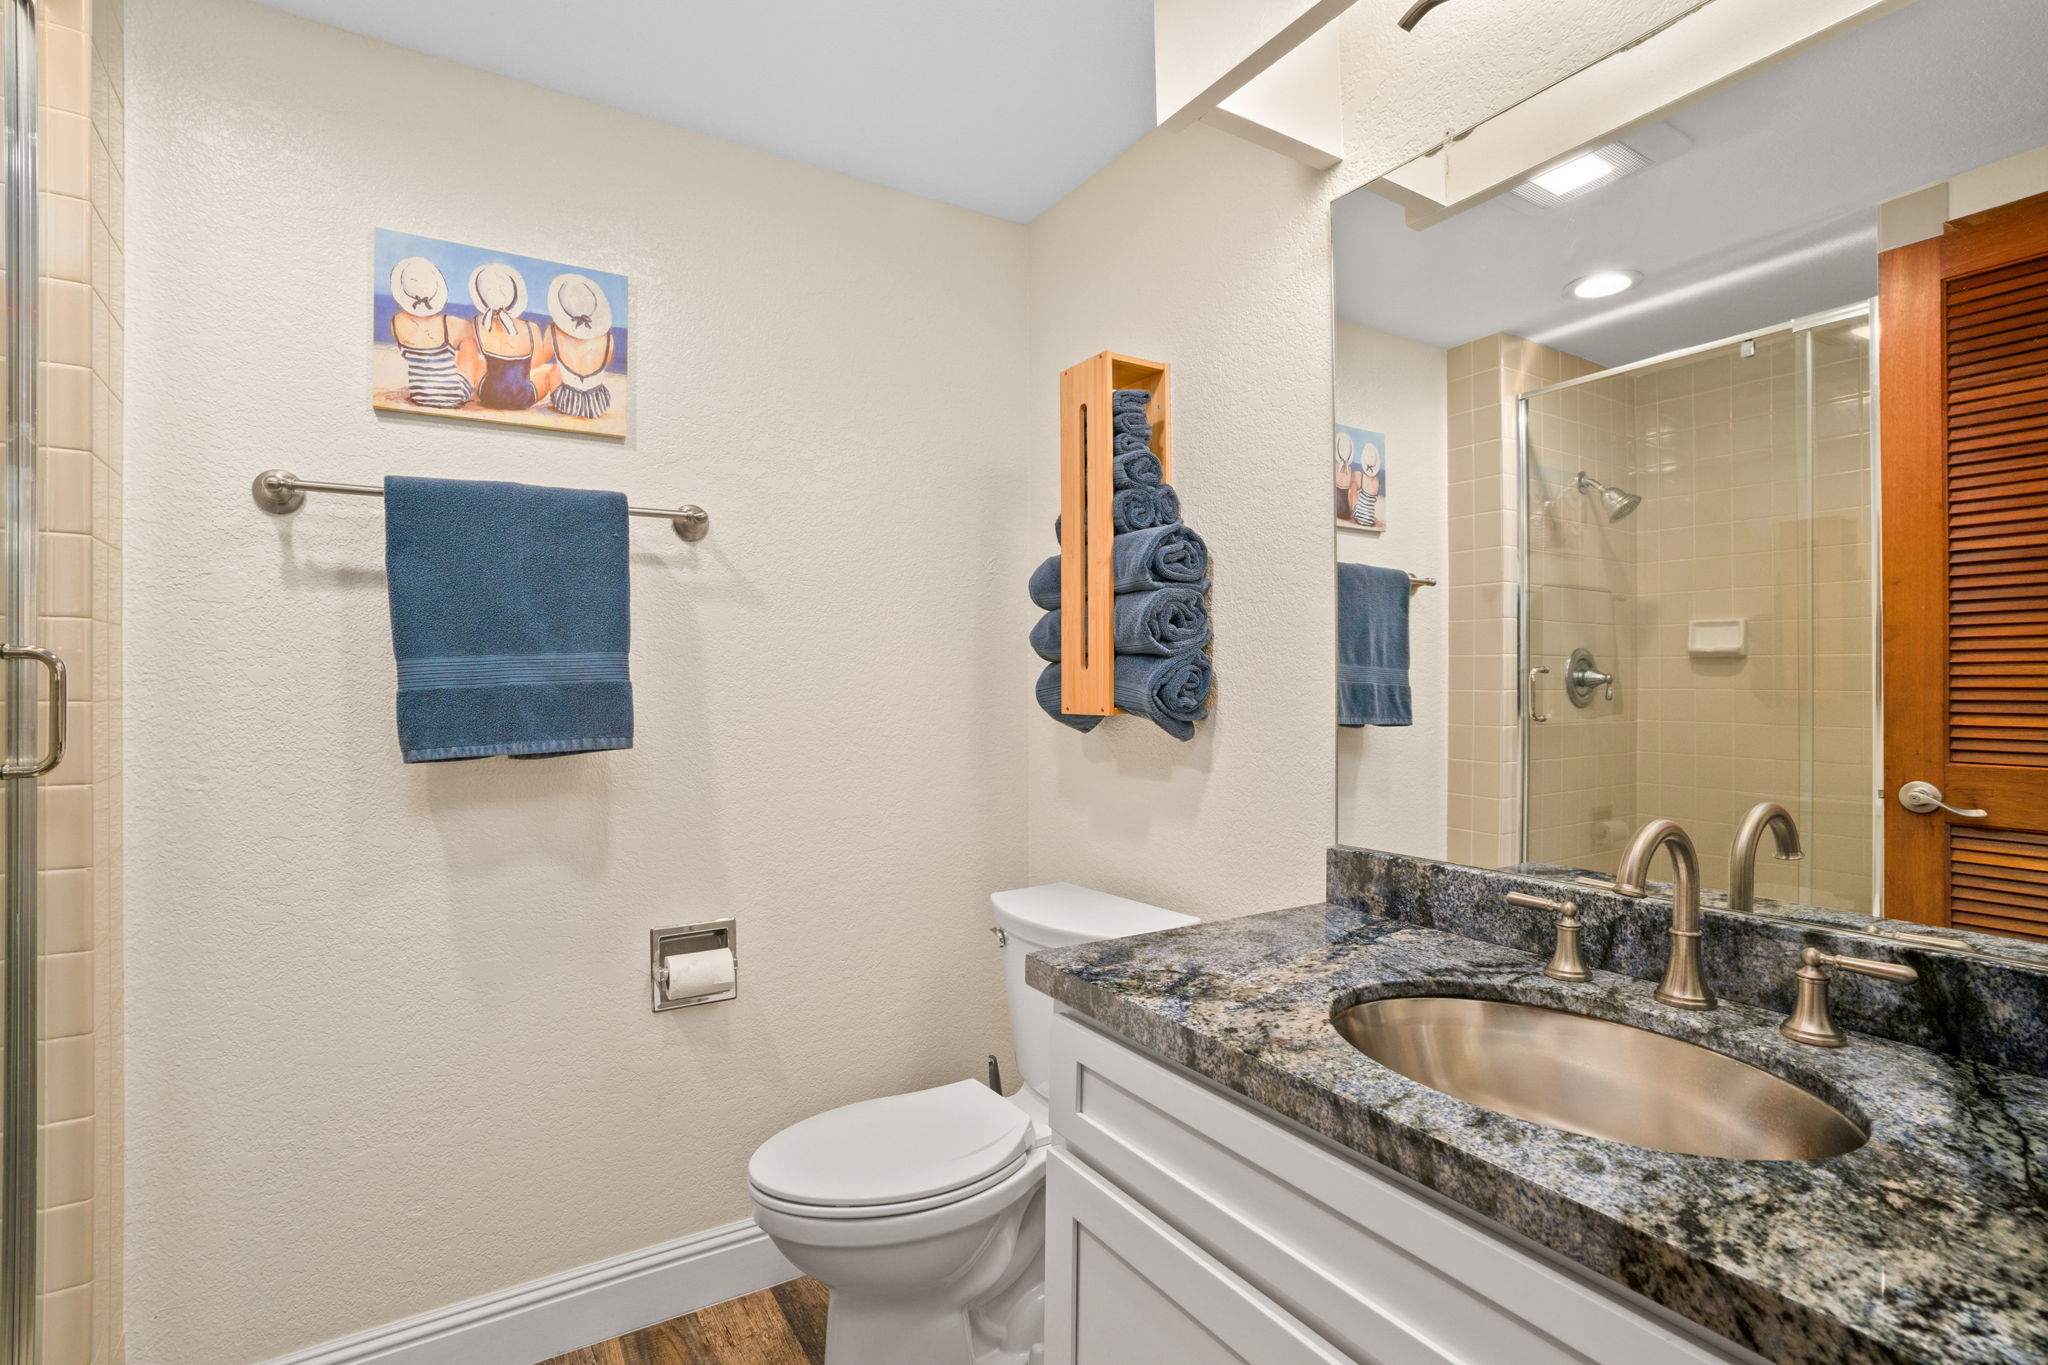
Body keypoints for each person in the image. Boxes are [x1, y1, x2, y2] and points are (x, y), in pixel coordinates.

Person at [388, 257, 480, 408]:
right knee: (480, 360)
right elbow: (469, 362)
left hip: (420, 395)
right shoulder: (455, 324)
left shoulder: (396, 321)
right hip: (454, 395)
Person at [468, 261, 557, 410]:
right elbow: (536, 363)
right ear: (514, 293)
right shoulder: (531, 327)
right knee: (545, 376)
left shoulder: (478, 323)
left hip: (489, 396)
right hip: (521, 398)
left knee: (481, 364)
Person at [545, 273, 615, 420]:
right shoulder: (609, 337)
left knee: (552, 371)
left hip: (567, 402)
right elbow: (606, 363)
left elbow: (543, 357)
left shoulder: (553, 331)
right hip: (598, 403)